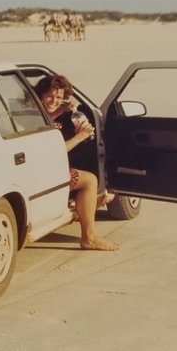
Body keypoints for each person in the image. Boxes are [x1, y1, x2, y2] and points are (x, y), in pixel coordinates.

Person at [34, 74, 119, 251]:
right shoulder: (33, 116)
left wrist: (61, 112)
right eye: (50, 95)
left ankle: (83, 214)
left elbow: (49, 121)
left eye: (59, 97)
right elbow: (56, 149)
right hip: (43, 174)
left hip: (44, 169)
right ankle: (89, 237)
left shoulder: (39, 113)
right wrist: (81, 136)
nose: (54, 101)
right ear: (40, 94)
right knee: (89, 181)